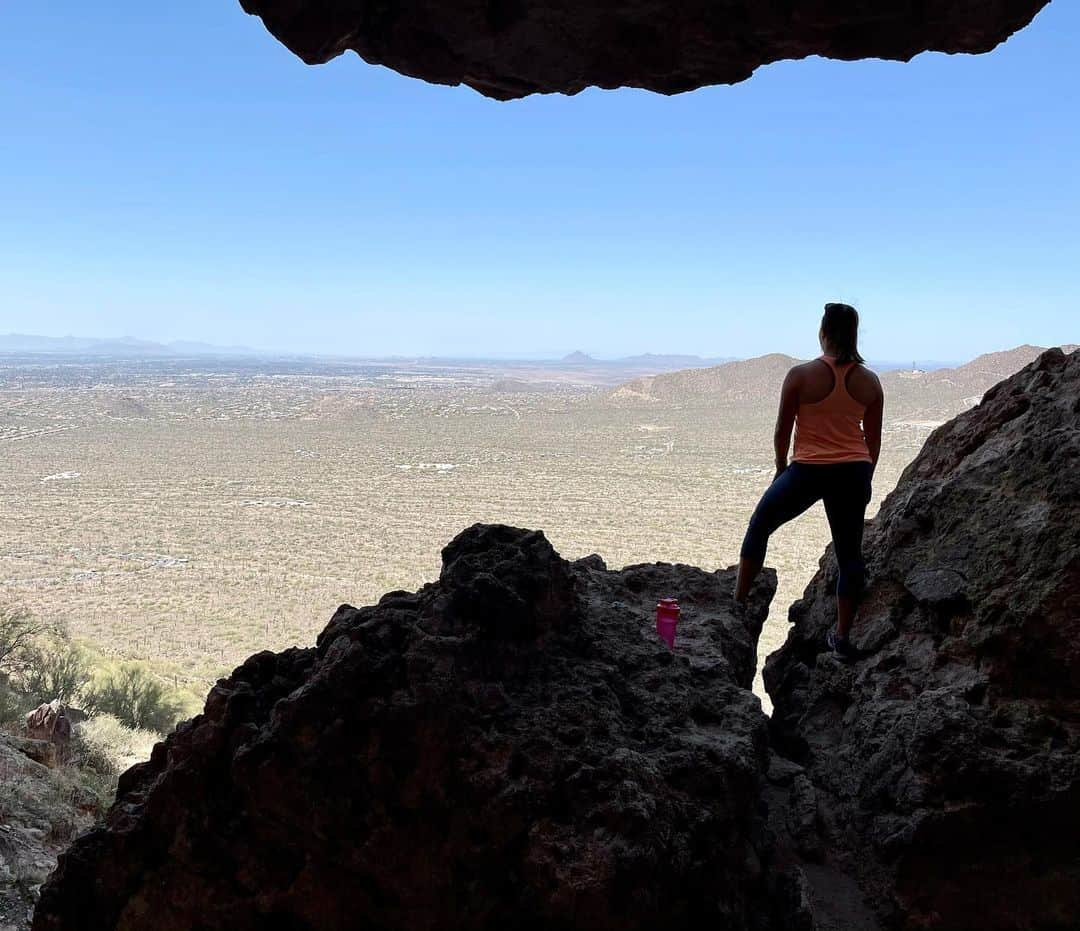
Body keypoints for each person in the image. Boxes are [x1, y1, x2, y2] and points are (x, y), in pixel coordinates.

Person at [733, 303, 883, 660]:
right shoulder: (870, 381)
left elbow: (783, 429)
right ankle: (843, 638)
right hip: (854, 470)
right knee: (850, 557)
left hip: (808, 469)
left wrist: (780, 467)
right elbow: (872, 439)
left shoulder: (800, 376)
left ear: (824, 332)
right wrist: (866, 475)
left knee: (760, 524)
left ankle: (737, 602)